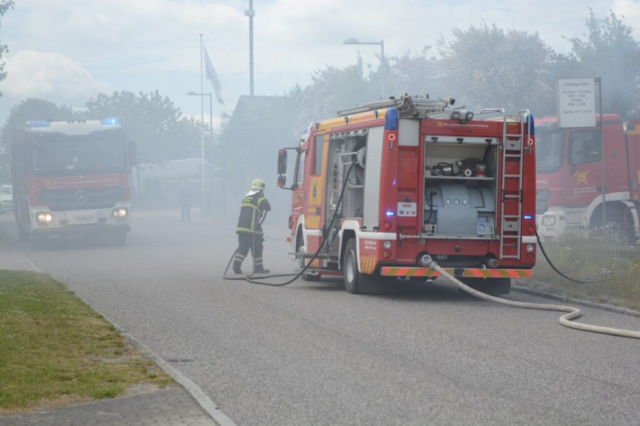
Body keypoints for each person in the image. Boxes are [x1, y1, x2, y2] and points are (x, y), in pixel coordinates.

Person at [233, 178, 271, 274]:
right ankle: (258, 268)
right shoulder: (258, 197)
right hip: (252, 229)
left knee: (243, 247)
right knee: (257, 247)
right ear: (261, 190)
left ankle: (236, 265)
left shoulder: (246, 198)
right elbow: (265, 205)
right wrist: (265, 201)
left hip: (241, 228)